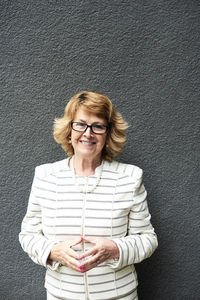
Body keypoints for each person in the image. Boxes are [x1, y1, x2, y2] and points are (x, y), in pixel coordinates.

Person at [19, 91, 158, 300]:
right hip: (61, 295)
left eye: (98, 126)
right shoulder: (45, 176)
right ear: (69, 129)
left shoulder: (130, 177)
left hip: (119, 295)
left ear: (108, 133)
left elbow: (147, 239)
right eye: (80, 124)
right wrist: (53, 251)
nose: (88, 133)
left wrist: (114, 248)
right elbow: (27, 236)